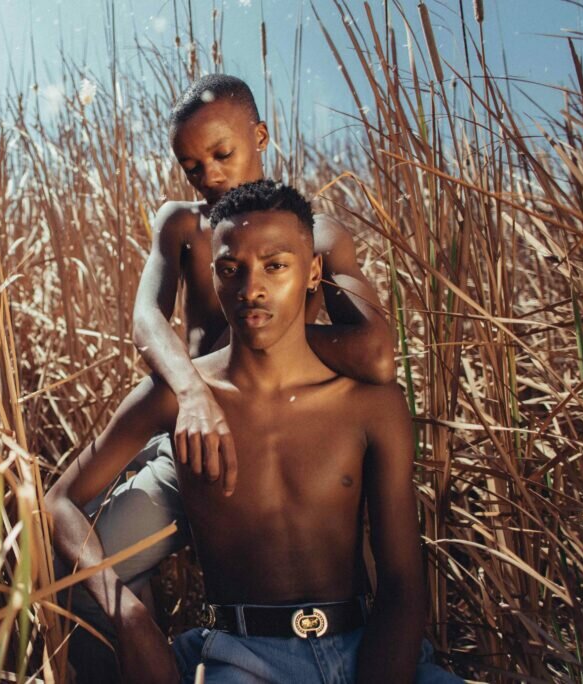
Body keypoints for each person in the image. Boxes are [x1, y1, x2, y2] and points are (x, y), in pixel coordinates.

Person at [47, 180, 462, 683]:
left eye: (275, 266)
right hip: (243, 660)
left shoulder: (371, 404)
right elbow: (59, 501)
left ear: (312, 273)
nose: (251, 289)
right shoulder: (175, 396)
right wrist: (131, 617)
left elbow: (401, 583)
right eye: (230, 270)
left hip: (370, 652)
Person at [61, 73, 395, 681]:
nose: (209, 175)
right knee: (87, 570)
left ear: (260, 136)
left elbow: (376, 356)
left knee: (349, 584)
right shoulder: (184, 224)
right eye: (192, 165)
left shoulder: (315, 234)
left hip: (286, 442)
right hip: (189, 442)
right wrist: (193, 393)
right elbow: (146, 320)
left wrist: (280, 343)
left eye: (222, 154)